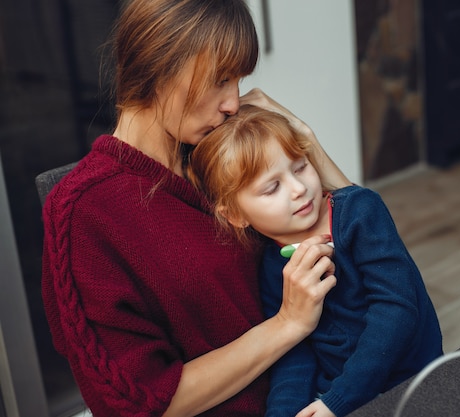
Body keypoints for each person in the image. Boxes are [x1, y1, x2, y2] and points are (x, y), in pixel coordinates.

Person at [40, 1, 351, 416]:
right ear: (159, 64)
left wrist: (305, 140)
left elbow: (369, 241)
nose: (233, 104)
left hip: (335, 388)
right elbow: (137, 402)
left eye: (237, 81)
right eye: (221, 79)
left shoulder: (220, 159)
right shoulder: (83, 213)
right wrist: (286, 325)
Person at [186, 104, 443, 417]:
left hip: (409, 384)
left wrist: (338, 401)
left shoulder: (360, 212)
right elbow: (295, 351)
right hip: (334, 394)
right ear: (236, 216)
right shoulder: (271, 265)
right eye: (272, 188)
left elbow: (397, 310)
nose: (298, 189)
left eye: (300, 167)